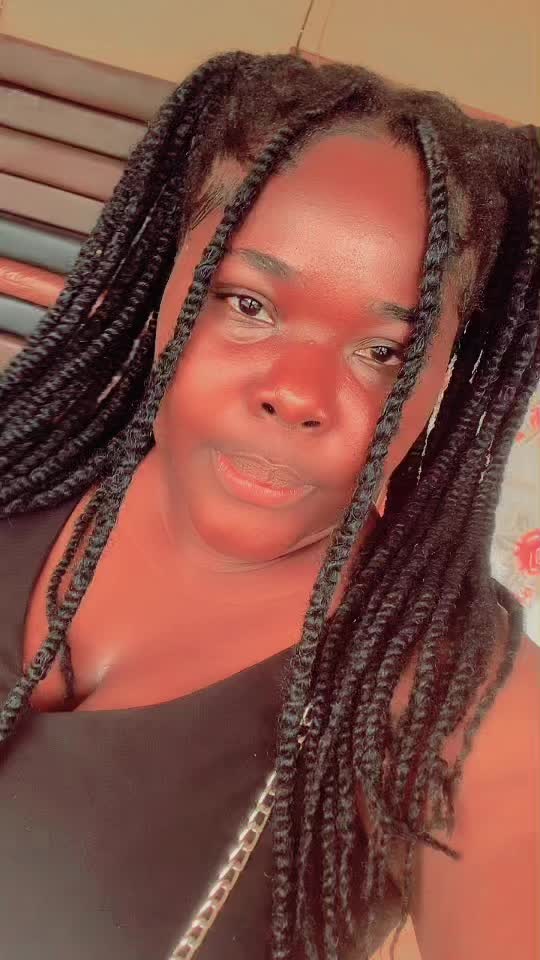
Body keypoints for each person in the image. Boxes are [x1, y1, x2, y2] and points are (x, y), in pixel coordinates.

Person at [0, 51, 538, 960]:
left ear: (447, 377)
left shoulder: (459, 703)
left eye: (383, 352)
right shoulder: (17, 475)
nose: (297, 394)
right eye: (248, 303)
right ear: (164, 282)